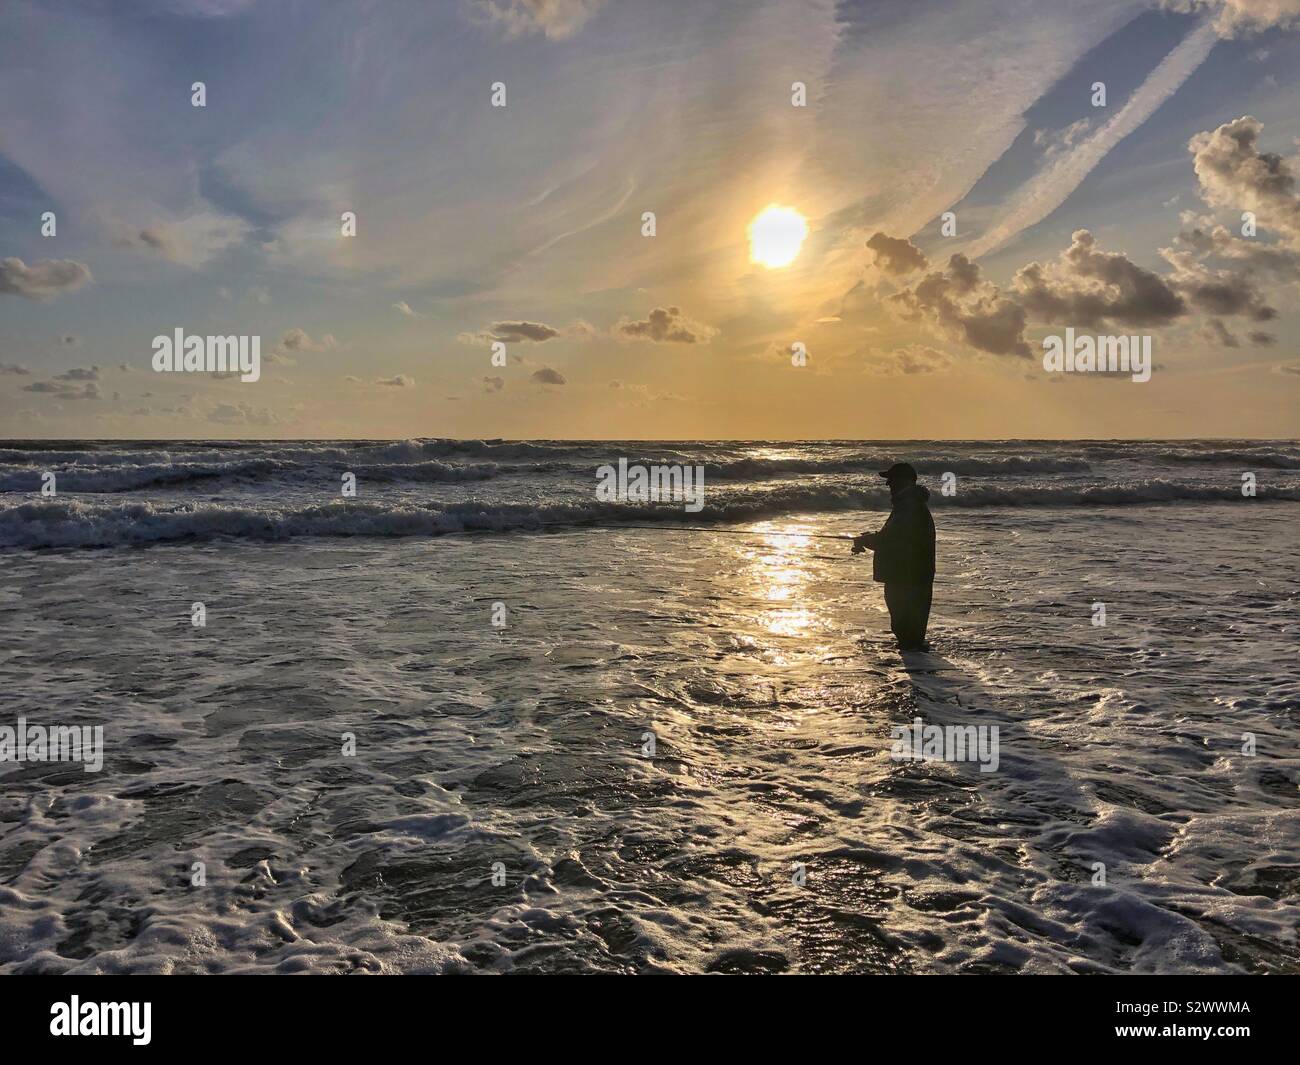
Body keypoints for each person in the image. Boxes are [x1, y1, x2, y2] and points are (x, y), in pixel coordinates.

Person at [852, 462, 935, 652]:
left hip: (906, 576)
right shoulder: (909, 505)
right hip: (911, 574)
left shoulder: (909, 507)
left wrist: (867, 539)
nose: (888, 484)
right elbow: (896, 537)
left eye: (891, 479)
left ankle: (917, 670)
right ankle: (918, 667)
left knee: (907, 629)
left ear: (905, 481)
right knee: (908, 631)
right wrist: (870, 538)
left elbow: (892, 540)